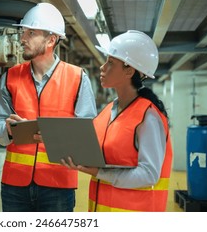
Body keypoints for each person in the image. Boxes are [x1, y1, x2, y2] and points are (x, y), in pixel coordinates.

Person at [0, 2, 97, 212]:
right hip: (14, 185)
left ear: (51, 40)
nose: (23, 39)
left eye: (31, 33)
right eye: (23, 32)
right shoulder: (10, 77)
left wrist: (53, 137)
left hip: (57, 186)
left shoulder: (77, 78)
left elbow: (87, 135)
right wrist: (8, 130)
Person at [62, 30, 173, 212]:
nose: (102, 67)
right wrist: (57, 141)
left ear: (129, 70)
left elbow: (149, 175)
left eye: (111, 62)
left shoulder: (148, 116)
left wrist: (99, 173)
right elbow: (96, 151)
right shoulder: (109, 110)